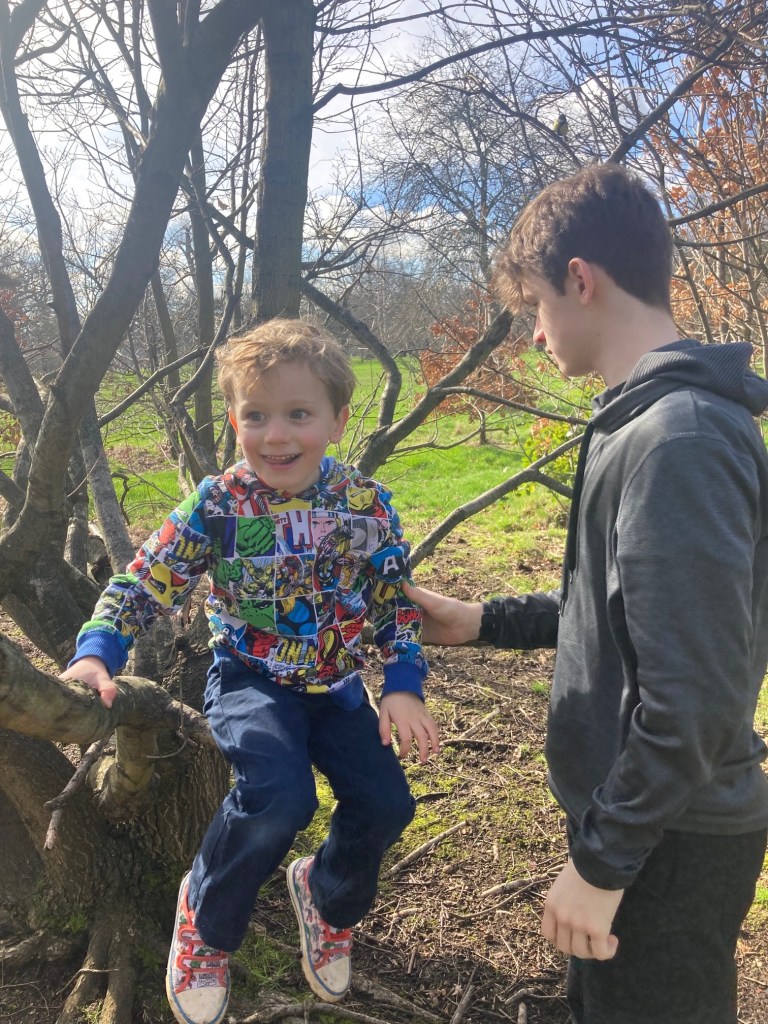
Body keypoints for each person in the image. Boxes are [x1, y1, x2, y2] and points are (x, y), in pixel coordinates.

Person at [404, 162, 768, 1024]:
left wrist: (604, 864)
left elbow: (694, 697)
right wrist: (482, 621)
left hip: (669, 839)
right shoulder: (640, 423)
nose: (536, 334)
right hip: (645, 822)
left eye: (536, 305)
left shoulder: (678, 440)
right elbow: (623, 616)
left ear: (580, 279)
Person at [61, 319, 440, 1024]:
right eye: (256, 416)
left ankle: (325, 896)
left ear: (337, 420)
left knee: (388, 803)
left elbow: (396, 601)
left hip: (337, 687)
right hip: (250, 678)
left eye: (298, 414)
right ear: (234, 420)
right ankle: (205, 921)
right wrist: (98, 649)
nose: (276, 435)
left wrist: (403, 685)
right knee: (278, 795)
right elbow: (145, 581)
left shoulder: (365, 505)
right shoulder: (218, 505)